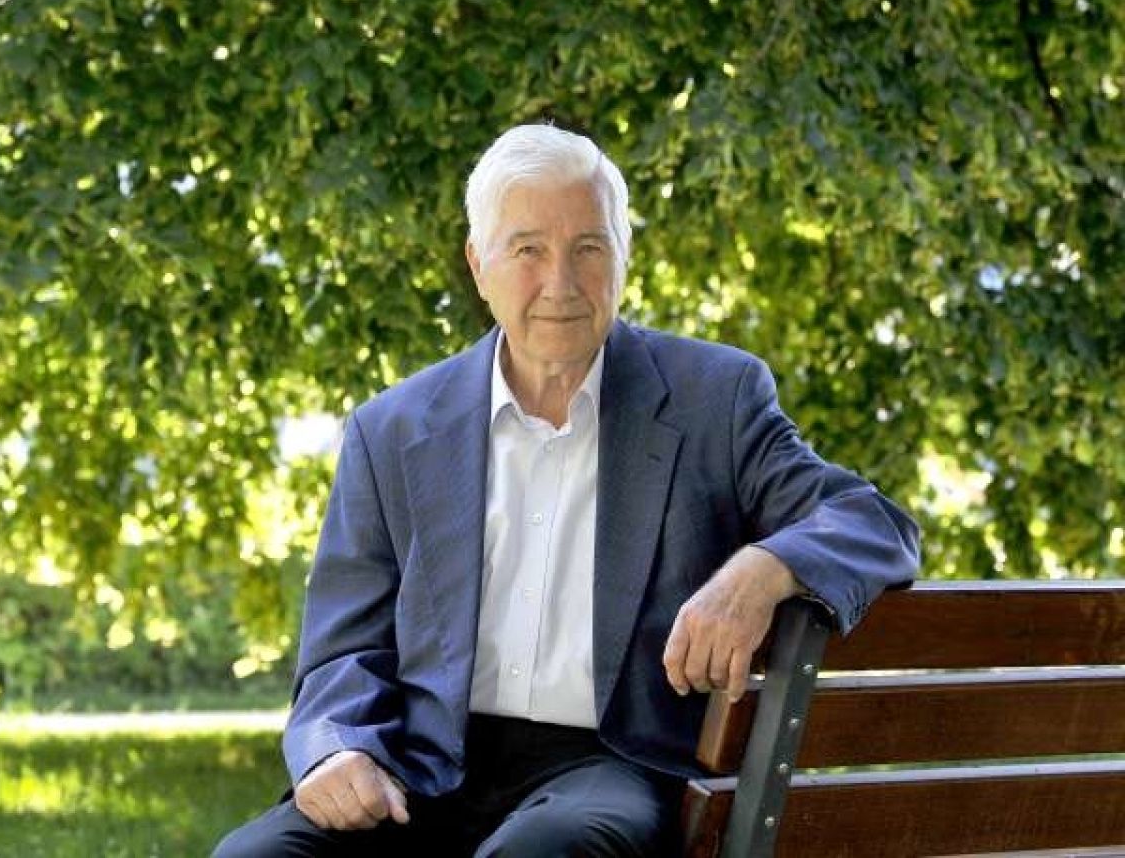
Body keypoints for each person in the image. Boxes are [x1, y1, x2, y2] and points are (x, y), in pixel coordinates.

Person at [213, 123, 919, 857]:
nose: (562, 283)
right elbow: (343, 649)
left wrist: (762, 570)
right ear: (478, 264)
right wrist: (334, 748)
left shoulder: (716, 398)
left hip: (610, 766)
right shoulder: (390, 429)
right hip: (421, 768)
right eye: (528, 250)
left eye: (589, 248)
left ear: (624, 255)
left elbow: (873, 521)